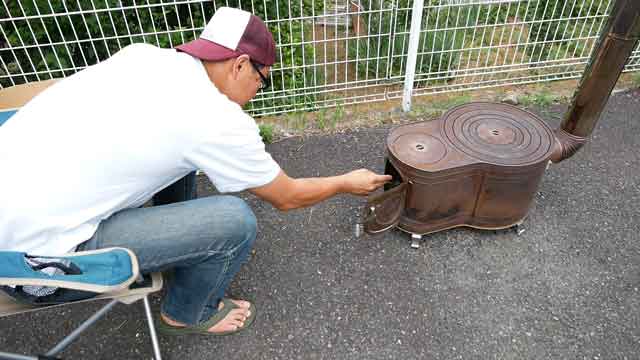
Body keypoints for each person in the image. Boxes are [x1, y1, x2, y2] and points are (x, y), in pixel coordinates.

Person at [0, 7, 390, 335]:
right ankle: (188, 313)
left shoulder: (145, 56)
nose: (258, 90)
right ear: (240, 65)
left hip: (14, 212)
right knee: (235, 220)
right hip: (34, 268)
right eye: (261, 79)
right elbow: (287, 197)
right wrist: (344, 182)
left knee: (182, 159)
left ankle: (181, 257)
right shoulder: (216, 120)